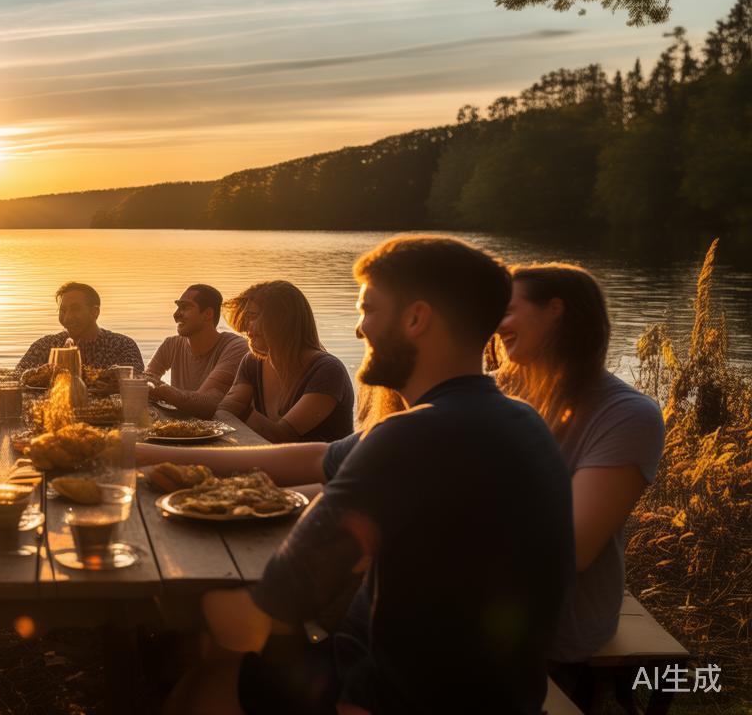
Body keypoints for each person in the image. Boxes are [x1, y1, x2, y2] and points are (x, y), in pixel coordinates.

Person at [168, 235, 575, 715]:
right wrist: (147, 455)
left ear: (416, 318)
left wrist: (182, 599)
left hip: (395, 697)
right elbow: (321, 456)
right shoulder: (514, 418)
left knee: (211, 652)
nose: (359, 330)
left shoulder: (412, 436)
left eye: (368, 309)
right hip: (502, 692)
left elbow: (276, 600)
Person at [492, 264, 664, 677]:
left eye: (508, 310)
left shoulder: (626, 415)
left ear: (555, 310)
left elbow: (571, 551)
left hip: (560, 623)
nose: (496, 325)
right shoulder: (494, 389)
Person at [215, 281, 354, 444]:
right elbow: (224, 413)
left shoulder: (327, 370)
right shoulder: (252, 363)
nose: (246, 327)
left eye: (252, 317)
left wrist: (240, 410)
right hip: (271, 463)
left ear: (281, 321)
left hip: (321, 467)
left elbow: (284, 437)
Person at [144, 284, 249, 418]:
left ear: (208, 314)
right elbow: (147, 379)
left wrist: (163, 391)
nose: (176, 315)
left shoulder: (235, 347)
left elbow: (206, 404)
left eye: (185, 307)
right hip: (180, 427)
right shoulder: (171, 344)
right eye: (177, 307)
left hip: (223, 431)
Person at [14, 282, 144, 372]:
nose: (67, 317)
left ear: (95, 312)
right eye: (63, 310)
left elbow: (136, 382)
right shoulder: (46, 345)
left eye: (75, 309)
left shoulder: (122, 346)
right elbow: (16, 376)